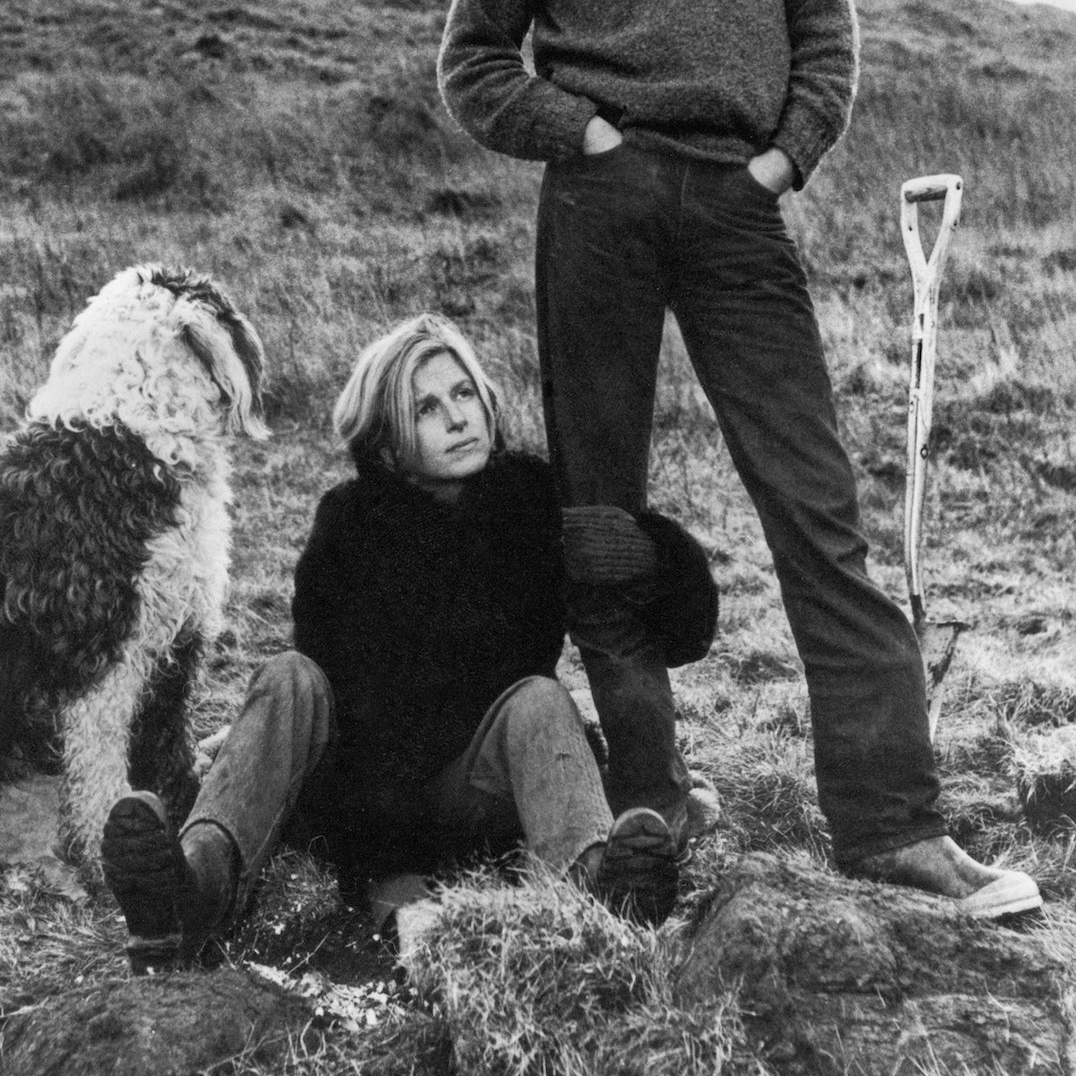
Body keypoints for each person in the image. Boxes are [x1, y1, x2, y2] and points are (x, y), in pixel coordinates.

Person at [437, 0, 1040, 919]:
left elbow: (829, 29)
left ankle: (891, 825)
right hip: (596, 209)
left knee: (817, 512)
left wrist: (784, 157)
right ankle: (649, 812)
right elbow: (472, 64)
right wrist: (578, 128)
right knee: (602, 529)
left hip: (735, 204)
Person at [100, 313, 718, 971]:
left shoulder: (531, 501)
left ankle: (601, 890)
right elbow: (352, 733)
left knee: (539, 697)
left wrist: (655, 556)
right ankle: (192, 889)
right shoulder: (350, 526)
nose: (458, 417)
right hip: (366, 796)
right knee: (289, 676)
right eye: (426, 407)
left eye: (463, 393)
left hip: (479, 787)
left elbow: (684, 635)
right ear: (390, 443)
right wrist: (395, 885)